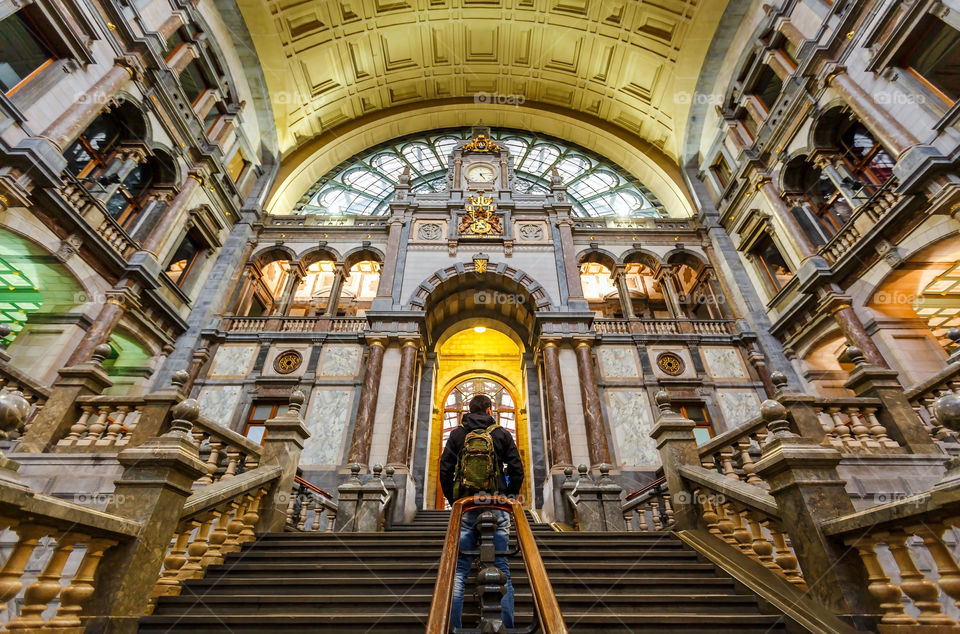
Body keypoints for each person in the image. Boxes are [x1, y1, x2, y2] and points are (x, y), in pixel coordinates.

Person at [439, 394, 525, 630]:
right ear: (489, 410)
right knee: (502, 567)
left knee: (459, 570)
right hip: (496, 504)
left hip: (466, 506)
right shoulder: (501, 433)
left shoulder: (458, 434)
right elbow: (517, 469)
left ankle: (453, 627)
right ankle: (505, 627)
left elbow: (445, 469)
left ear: (468, 410)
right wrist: (508, 497)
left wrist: (455, 500)